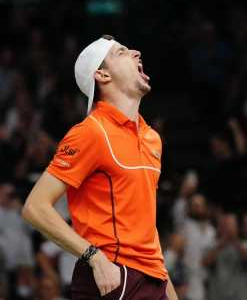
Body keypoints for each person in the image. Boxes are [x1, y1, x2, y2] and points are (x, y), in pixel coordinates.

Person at [22, 35, 178, 300]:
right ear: (102, 75)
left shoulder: (152, 138)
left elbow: (146, 227)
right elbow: (35, 207)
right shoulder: (90, 132)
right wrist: (94, 258)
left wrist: (168, 291)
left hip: (153, 281)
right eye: (121, 52)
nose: (136, 52)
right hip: (112, 277)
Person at [203, 213, 247, 300]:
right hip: (217, 294)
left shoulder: (244, 245)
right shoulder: (213, 244)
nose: (229, 229)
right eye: (226, 225)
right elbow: (204, 262)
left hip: (239, 295)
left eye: (232, 225)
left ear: (237, 228)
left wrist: (235, 241)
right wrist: (222, 243)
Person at [182, 194, 215, 300]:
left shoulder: (212, 231)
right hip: (187, 285)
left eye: (200, 205)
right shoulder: (184, 229)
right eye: (195, 205)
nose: (198, 208)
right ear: (190, 208)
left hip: (209, 286)